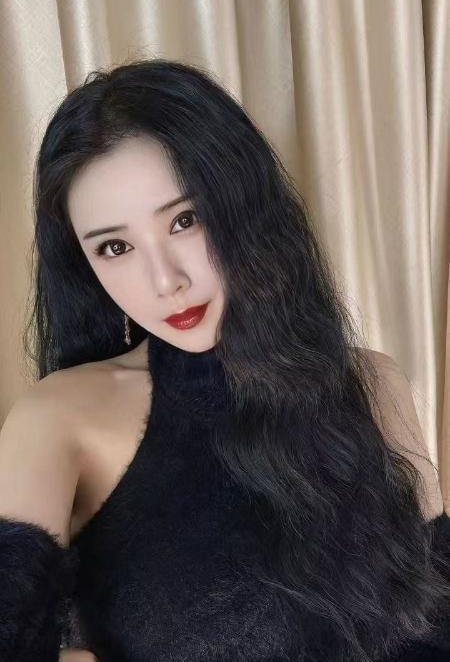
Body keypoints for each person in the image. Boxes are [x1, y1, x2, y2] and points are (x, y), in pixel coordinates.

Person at [0, 58, 448, 662]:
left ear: (245, 206)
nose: (165, 281)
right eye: (115, 247)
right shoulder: (59, 417)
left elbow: (434, 623)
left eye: (185, 220)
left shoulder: (372, 384)